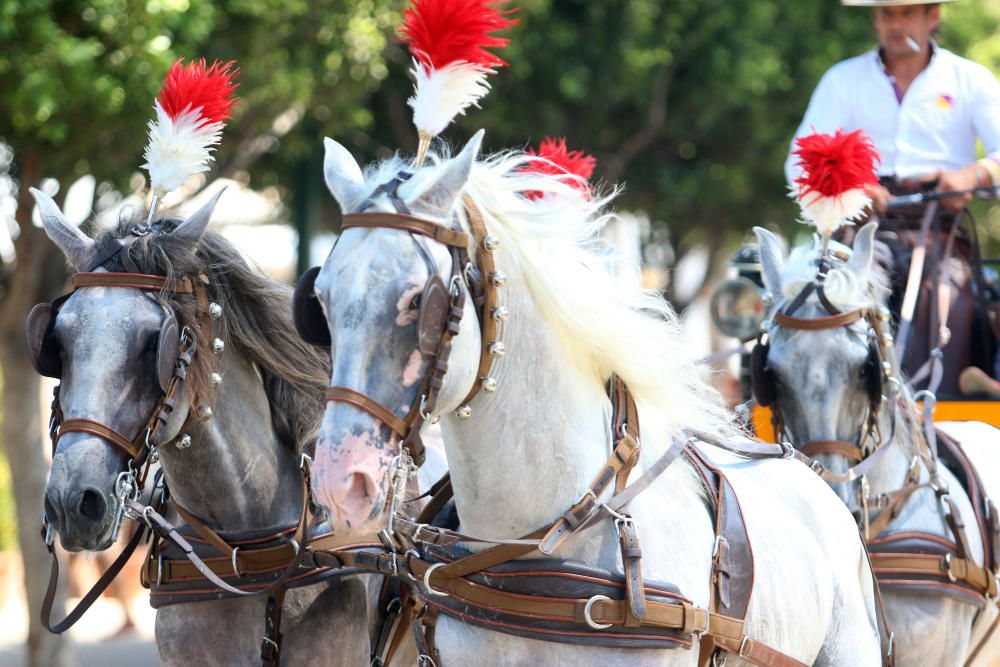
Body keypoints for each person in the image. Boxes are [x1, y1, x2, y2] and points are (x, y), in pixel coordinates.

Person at [784, 0, 1000, 396]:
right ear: (875, 19)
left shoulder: (971, 79)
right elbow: (800, 161)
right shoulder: (842, 80)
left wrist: (974, 174)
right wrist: (850, 187)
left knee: (950, 299)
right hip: (859, 228)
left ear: (931, 16)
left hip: (940, 230)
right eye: (887, 14)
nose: (896, 24)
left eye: (907, 13)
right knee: (821, 293)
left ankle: (954, 394)